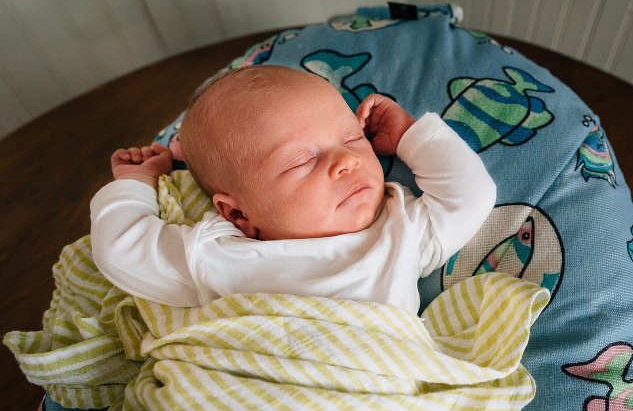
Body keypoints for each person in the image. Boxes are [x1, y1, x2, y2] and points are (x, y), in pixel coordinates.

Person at [90, 65, 496, 313]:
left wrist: (409, 133)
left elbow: (469, 194)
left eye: (353, 137)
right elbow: (120, 248)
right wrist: (136, 181)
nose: (347, 160)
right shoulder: (221, 255)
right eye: (302, 160)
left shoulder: (399, 230)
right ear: (238, 215)